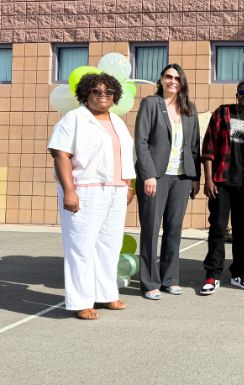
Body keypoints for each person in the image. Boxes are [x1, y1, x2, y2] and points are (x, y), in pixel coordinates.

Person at [48, 73, 136, 320]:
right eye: (96, 91)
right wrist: (69, 191)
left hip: (115, 191)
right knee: (82, 247)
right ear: (85, 94)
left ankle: (107, 294)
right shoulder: (74, 119)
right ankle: (81, 301)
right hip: (86, 190)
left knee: (109, 246)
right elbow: (60, 155)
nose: (103, 95)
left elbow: (125, 157)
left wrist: (128, 186)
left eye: (108, 92)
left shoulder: (117, 121)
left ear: (115, 96)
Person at [134, 64, 201, 300]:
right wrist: (148, 174)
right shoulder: (151, 104)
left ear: (182, 83)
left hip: (181, 178)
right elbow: (140, 142)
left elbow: (194, 146)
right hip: (156, 177)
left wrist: (194, 177)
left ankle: (170, 279)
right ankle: (149, 282)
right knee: (151, 229)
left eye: (177, 78)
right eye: (168, 77)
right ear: (161, 79)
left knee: (174, 230)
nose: (172, 81)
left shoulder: (189, 109)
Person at [200, 80, 244, 295]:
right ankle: (212, 274)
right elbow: (207, 147)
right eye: (243, 92)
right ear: (237, 94)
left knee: (242, 232)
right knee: (217, 229)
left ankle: (239, 273)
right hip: (222, 181)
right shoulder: (222, 113)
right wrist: (208, 180)